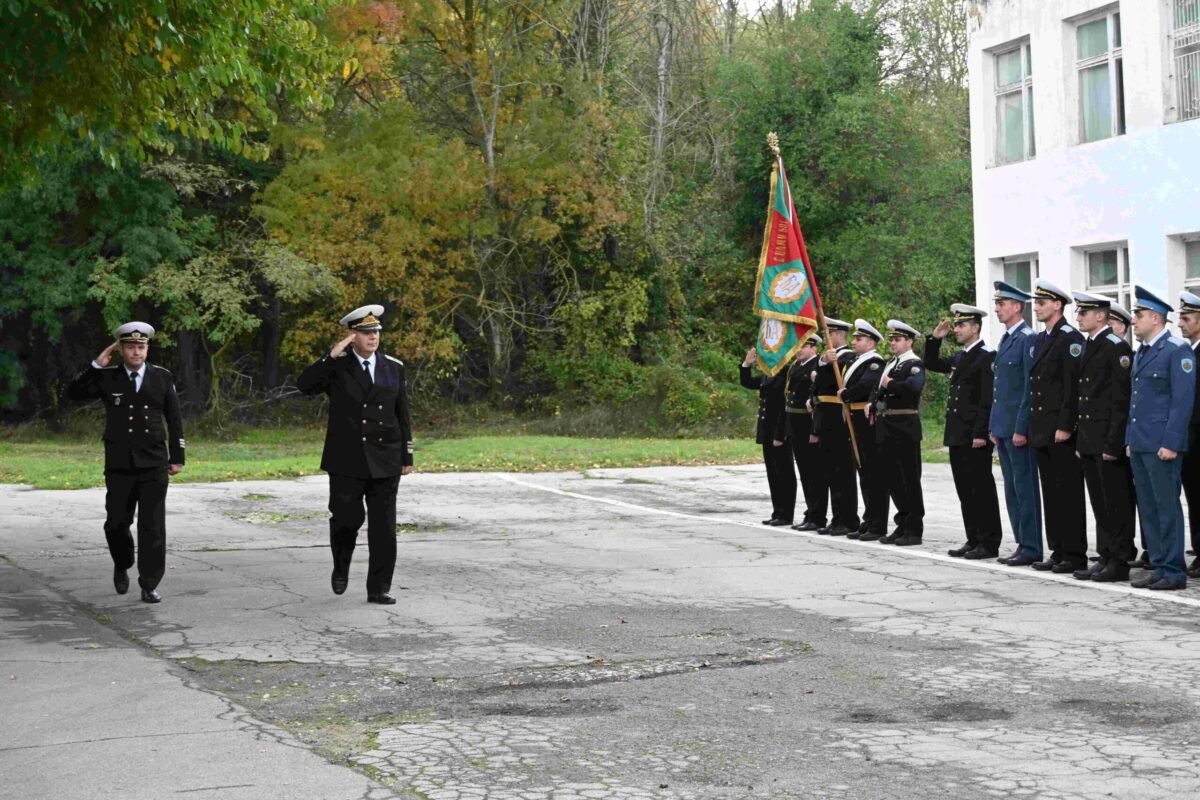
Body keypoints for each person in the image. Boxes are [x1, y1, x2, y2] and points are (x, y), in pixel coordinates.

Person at [298, 304, 414, 605]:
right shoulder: (337, 367)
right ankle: (341, 564)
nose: (372, 337)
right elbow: (305, 385)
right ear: (353, 336)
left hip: (385, 457)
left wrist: (407, 455)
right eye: (365, 332)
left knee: (384, 528)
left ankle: (379, 588)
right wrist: (330, 355)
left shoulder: (393, 367)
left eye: (375, 331)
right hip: (347, 459)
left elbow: (403, 413)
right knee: (347, 519)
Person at [66, 322, 185, 603]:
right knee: (116, 524)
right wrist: (96, 365)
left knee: (152, 526)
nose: (136, 351)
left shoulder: (162, 377)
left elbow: (175, 419)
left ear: (147, 349)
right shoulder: (108, 377)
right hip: (120, 463)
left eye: (141, 346)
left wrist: (177, 456)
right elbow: (73, 394)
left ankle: (149, 583)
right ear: (120, 349)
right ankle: (122, 563)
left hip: (154, 462)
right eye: (130, 346)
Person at [1126, 286, 1195, 590]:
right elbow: (1136, 401)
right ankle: (1158, 565)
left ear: (1155, 318)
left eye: (1138, 315)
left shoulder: (1176, 350)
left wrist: (1172, 442)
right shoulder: (1143, 351)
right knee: (1150, 508)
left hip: (1162, 444)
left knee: (1167, 508)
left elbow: (1182, 402)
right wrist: (1130, 439)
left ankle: (1173, 570)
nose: (1133, 321)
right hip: (1141, 441)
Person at [926, 304, 1003, 559]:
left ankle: (988, 541)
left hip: (974, 435)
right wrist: (935, 339)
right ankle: (973, 537)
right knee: (965, 489)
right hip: (958, 433)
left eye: (961, 325)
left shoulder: (986, 356)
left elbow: (986, 398)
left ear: (975, 327)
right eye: (956, 325)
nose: (956, 329)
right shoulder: (960, 357)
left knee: (980, 488)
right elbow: (932, 363)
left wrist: (981, 432)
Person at [1071, 291, 1135, 582]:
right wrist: (1082, 440)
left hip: (1108, 440)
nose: (1079, 317)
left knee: (1116, 504)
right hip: (1090, 438)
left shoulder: (1115, 347)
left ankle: (1119, 561)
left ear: (1101, 316)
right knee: (1100, 503)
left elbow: (1120, 401)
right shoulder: (1089, 345)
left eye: (1084, 312)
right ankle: (1107, 555)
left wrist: (1113, 443)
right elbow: (1084, 396)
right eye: (1079, 312)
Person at [1027, 278, 1087, 574]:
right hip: (1042, 428)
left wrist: (1066, 425)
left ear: (1057, 305)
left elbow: (1072, 387)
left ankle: (1075, 553)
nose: (1036, 307)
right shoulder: (1042, 339)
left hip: (1061, 430)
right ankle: (1058, 549)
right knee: (1051, 492)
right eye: (1036, 303)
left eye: (1041, 303)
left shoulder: (1070, 338)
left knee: (1068, 493)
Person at [989, 281, 1043, 567]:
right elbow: (1000, 389)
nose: (997, 308)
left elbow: (1027, 388)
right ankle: (1022, 541)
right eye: (997, 304)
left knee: (1025, 488)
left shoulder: (1027, 338)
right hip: (1003, 426)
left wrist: (1022, 427)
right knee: (1011, 489)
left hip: (1018, 428)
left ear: (1017, 307)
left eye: (1002, 304)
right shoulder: (1007, 338)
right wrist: (994, 426)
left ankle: (1032, 545)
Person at [871, 320, 926, 545]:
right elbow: (878, 389)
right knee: (892, 478)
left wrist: (890, 383)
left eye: (897, 339)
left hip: (905, 424)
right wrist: (873, 402)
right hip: (888, 424)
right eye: (891, 339)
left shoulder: (914, 363)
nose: (892, 343)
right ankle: (902, 522)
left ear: (909, 341)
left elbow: (913, 387)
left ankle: (913, 528)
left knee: (909, 478)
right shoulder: (891, 364)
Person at [809, 318, 861, 536]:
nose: (827, 338)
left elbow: (833, 382)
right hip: (825, 418)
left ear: (839, 335)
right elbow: (814, 379)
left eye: (829, 333)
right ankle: (837, 516)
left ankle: (848, 518)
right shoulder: (827, 358)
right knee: (830, 471)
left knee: (843, 473)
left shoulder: (847, 357)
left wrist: (826, 364)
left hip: (838, 419)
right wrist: (822, 362)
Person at [1109, 301, 1151, 568]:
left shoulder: (1127, 354)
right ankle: (1131, 546)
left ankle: (1151, 549)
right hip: (1128, 435)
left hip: (1135, 433)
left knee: (1146, 496)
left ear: (1122, 327)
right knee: (1130, 495)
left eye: (1113, 323)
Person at [837, 319, 886, 540]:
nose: (855, 342)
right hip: (853, 419)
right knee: (864, 473)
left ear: (871, 342)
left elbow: (865, 386)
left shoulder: (874, 362)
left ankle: (877, 523)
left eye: (860, 339)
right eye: (855, 338)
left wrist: (847, 394)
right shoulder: (856, 361)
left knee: (873, 473)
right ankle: (868, 520)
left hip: (866, 422)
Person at [740, 345, 795, 526]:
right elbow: (747, 383)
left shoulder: (785, 374)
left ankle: (786, 513)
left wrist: (780, 435)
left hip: (779, 432)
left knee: (784, 472)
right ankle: (777, 511)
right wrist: (747, 364)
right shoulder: (769, 374)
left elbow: (783, 408)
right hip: (767, 431)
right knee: (773, 472)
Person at [784, 334, 826, 531]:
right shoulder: (796, 366)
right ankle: (810, 512)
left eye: (802, 346)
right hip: (796, 423)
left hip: (808, 424)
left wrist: (814, 429)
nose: (798, 350)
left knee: (815, 473)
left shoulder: (817, 365)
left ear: (813, 347)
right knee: (805, 473)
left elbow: (816, 400)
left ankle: (817, 516)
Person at [1177, 291, 1200, 579]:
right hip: (1190, 435)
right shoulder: (1187, 352)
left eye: (1186, 318)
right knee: (1194, 495)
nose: (1180, 323)